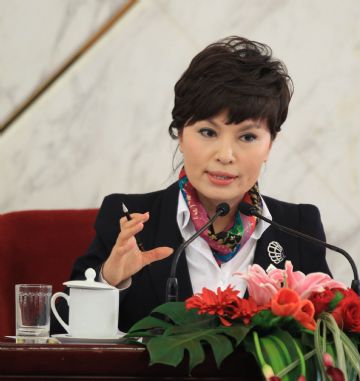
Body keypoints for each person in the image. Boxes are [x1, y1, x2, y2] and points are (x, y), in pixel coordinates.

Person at [59, 36, 331, 333]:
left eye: (248, 137)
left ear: (270, 145)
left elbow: (337, 337)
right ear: (180, 134)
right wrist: (109, 281)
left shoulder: (299, 228)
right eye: (207, 132)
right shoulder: (129, 218)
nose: (225, 156)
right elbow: (59, 334)